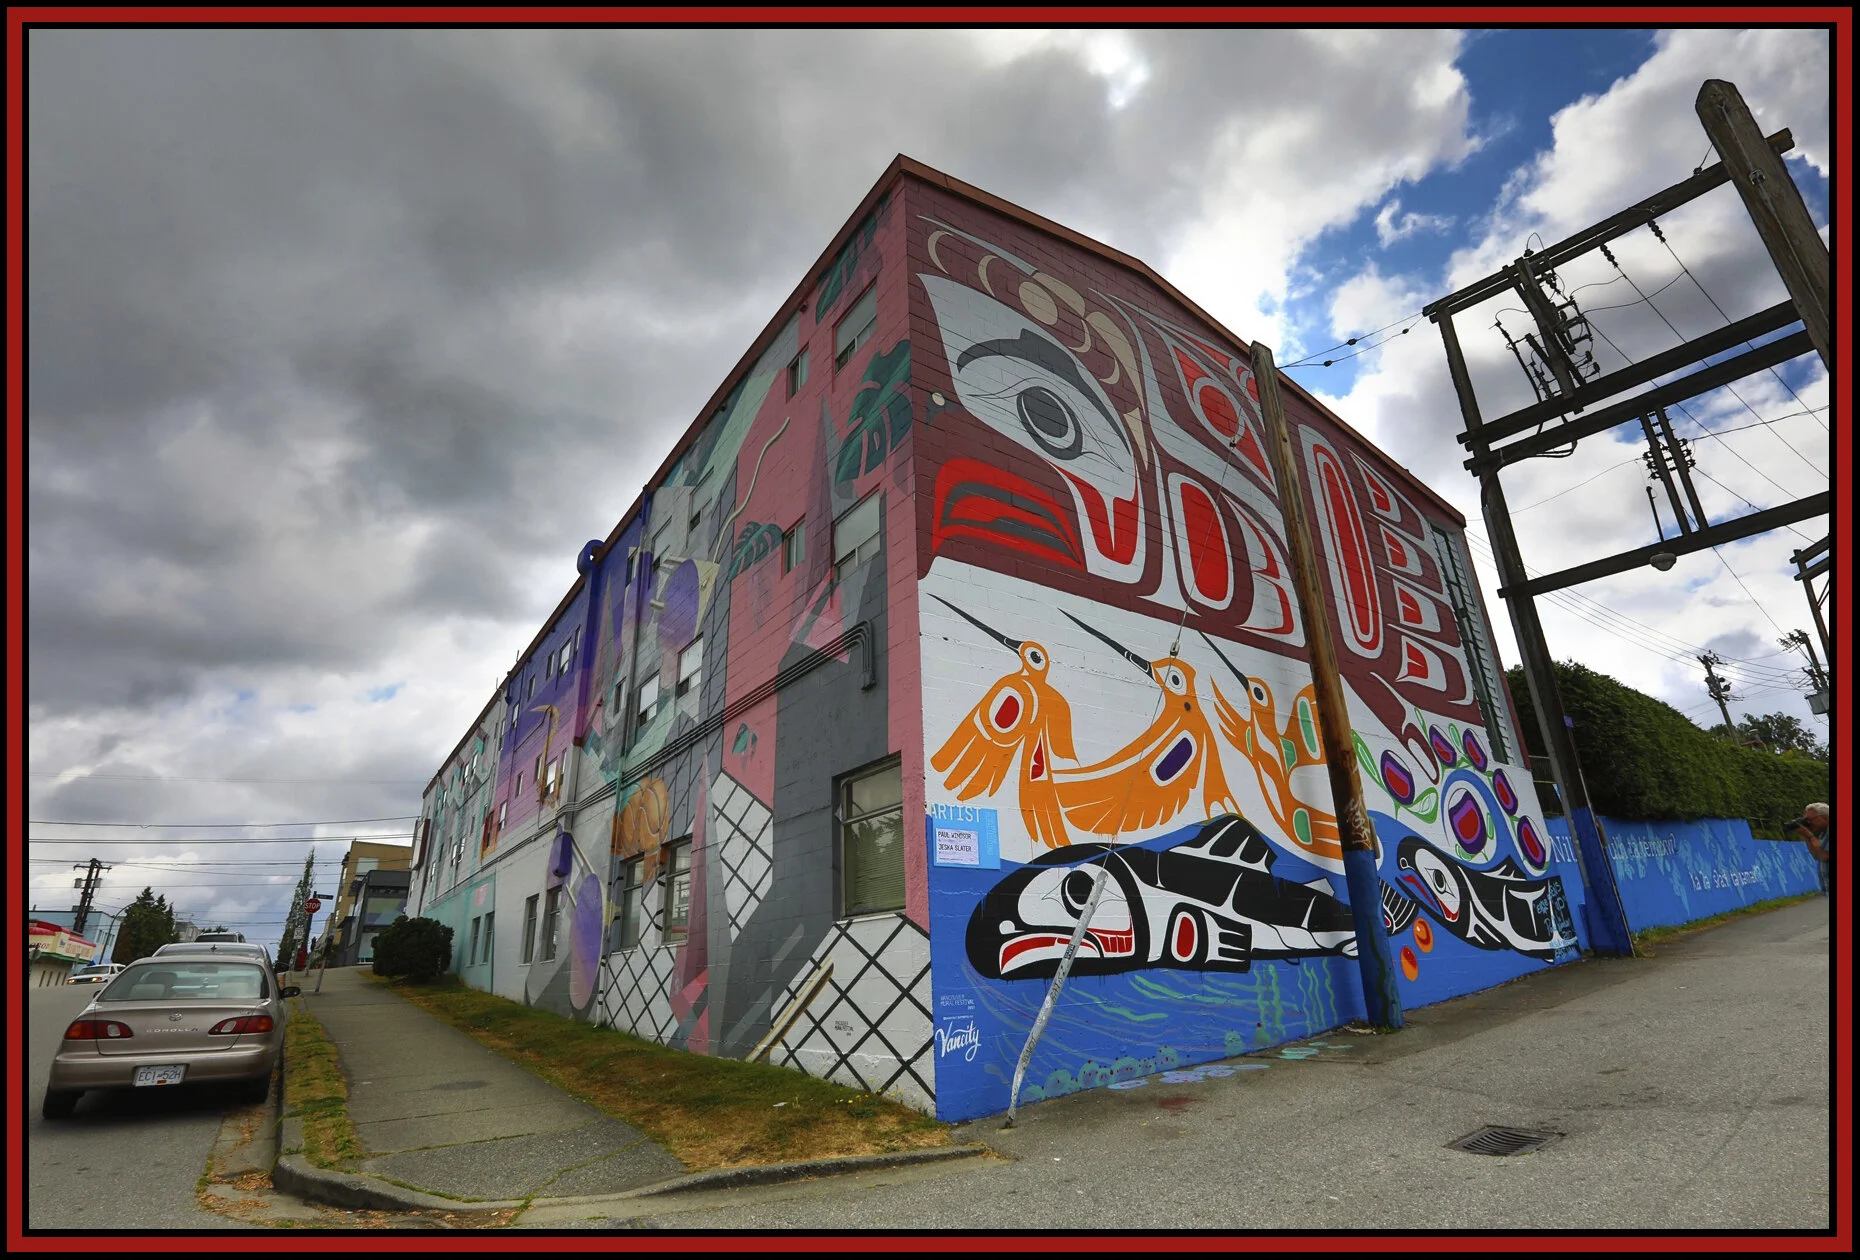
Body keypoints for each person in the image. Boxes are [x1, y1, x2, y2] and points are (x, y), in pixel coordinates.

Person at [1784, 802, 1831, 895]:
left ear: (1825, 818)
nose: (1808, 823)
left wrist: (1810, 836)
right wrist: (1806, 836)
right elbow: (1817, 856)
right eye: (1805, 820)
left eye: (1810, 820)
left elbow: (1825, 856)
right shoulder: (1823, 834)